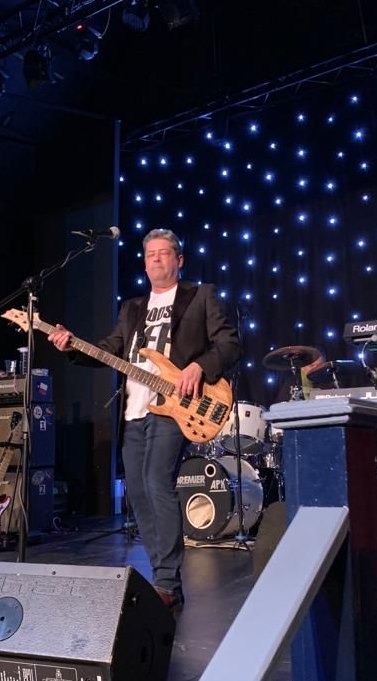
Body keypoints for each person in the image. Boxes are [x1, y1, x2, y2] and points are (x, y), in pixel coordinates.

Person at [47, 228, 241, 612]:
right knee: (137, 492)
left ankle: (167, 582)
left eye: (163, 253)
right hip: (135, 411)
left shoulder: (201, 295)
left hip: (176, 406)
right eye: (150, 254)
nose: (155, 259)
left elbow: (229, 344)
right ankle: (165, 580)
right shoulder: (132, 308)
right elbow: (108, 350)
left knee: (156, 481)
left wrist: (199, 367)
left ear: (179, 259)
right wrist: (71, 345)